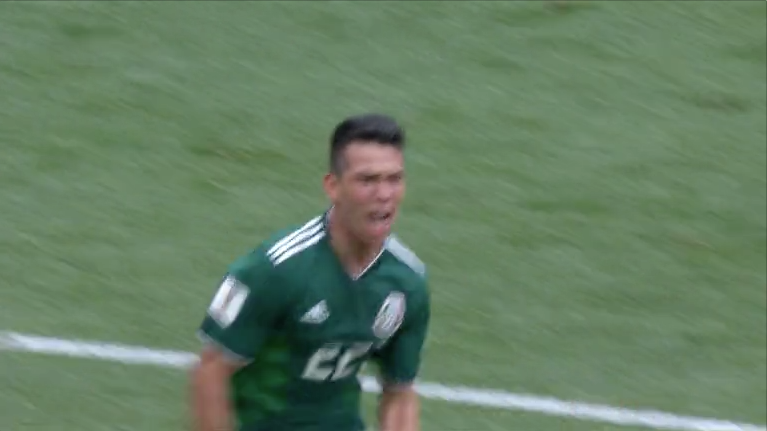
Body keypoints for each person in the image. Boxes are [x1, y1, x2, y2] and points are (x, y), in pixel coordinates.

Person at [190, 113, 431, 431]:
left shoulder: (407, 281)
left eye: (394, 179)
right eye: (367, 180)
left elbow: (399, 393)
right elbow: (211, 373)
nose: (384, 194)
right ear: (333, 187)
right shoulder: (275, 270)